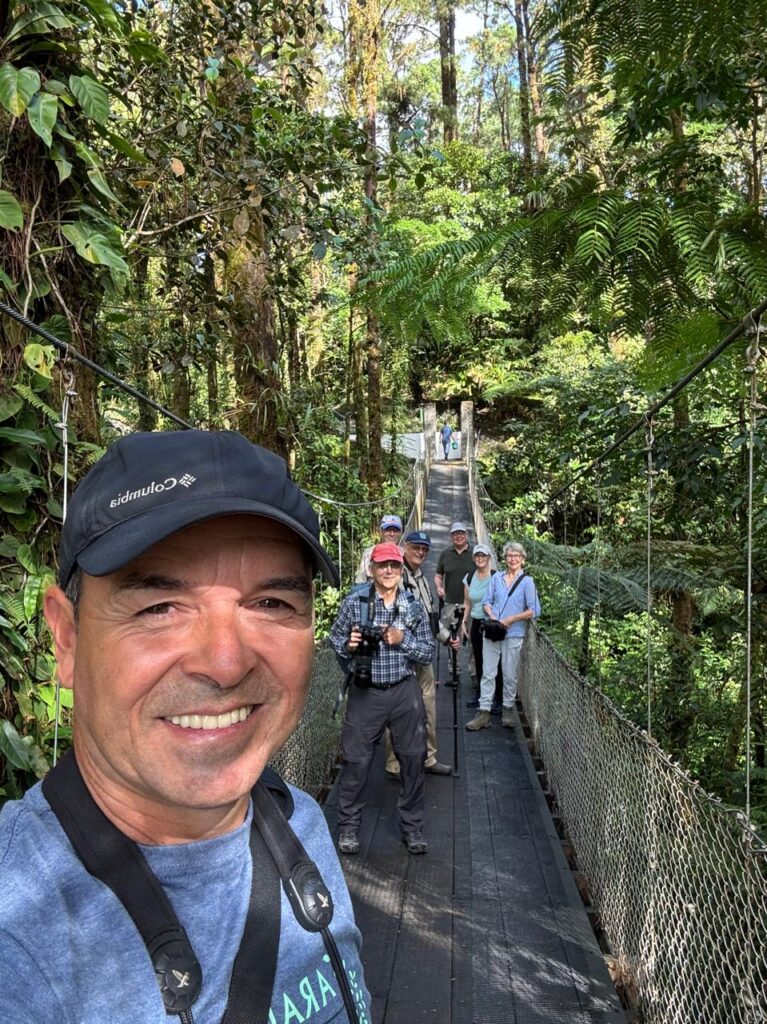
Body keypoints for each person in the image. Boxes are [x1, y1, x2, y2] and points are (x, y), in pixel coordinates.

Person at [0, 429, 371, 1024]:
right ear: (67, 638)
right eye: (159, 607)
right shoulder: (19, 927)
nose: (226, 663)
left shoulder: (300, 819)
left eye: (272, 603)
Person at [330, 543, 434, 856]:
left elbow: (428, 651)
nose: (388, 571)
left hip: (404, 690)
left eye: (394, 565)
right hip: (366, 693)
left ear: (402, 570)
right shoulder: (355, 602)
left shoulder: (412, 605)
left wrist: (404, 641)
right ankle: (348, 827)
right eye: (382, 565)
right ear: (372, 569)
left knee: (413, 759)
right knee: (356, 761)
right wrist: (350, 647)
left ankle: (412, 827)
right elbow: (335, 640)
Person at [384, 530, 453, 781]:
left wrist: (447, 638)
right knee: (399, 710)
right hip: (399, 655)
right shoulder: (393, 574)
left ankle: (428, 758)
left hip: (423, 655)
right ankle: (395, 763)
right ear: (405, 547)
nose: (421, 553)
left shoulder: (422, 579)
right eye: (416, 548)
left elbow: (430, 618)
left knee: (428, 707)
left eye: (425, 549)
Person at [466, 541, 541, 732]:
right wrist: (493, 617)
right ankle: (484, 712)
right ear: (505, 558)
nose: (513, 559)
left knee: (509, 674)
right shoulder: (496, 578)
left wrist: (510, 619)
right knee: (488, 672)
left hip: (513, 633)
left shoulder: (527, 582)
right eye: (509, 556)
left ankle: (508, 709)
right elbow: (486, 602)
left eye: (517, 556)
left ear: (523, 559)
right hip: (492, 630)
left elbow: (534, 609)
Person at [461, 543, 501, 708]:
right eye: (477, 556)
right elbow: (467, 603)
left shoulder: (497, 577)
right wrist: (464, 621)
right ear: (473, 558)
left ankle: (498, 697)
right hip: (476, 622)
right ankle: (481, 695)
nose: (480, 558)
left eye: (483, 556)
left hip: (492, 623)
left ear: (488, 558)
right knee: (479, 659)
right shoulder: (469, 577)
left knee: (495, 661)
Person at [434, 522, 475, 679]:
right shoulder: (445, 554)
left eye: (461, 533)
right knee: (452, 638)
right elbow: (438, 576)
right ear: (451, 536)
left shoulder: (474, 554)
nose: (459, 536)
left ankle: (474, 673)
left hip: (472, 605)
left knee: (472, 640)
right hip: (451, 603)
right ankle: (454, 670)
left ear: (466, 535)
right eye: (455, 533)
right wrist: (438, 587)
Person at [355, 513, 403, 583]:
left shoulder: (404, 553)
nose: (392, 534)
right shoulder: (369, 553)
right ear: (381, 532)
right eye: (388, 530)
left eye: (396, 530)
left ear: (400, 533)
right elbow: (360, 581)